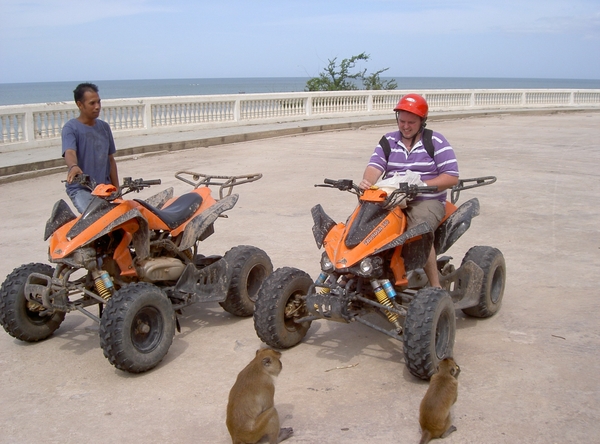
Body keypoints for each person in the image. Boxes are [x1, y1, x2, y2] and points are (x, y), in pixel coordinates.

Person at [359, 93, 459, 288]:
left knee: (419, 232)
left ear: (422, 121)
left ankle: (435, 286)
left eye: (411, 122)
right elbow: (375, 166)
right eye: (402, 121)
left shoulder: (436, 142)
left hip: (425, 199)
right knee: (361, 225)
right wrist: (367, 182)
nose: (405, 126)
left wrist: (421, 186)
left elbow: (451, 176)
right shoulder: (388, 141)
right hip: (392, 197)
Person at [62, 83, 119, 213]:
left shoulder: (104, 127)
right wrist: (73, 166)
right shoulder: (71, 128)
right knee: (96, 218)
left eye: (99, 102)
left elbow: (110, 159)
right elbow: (69, 151)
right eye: (92, 103)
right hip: (82, 189)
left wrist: (117, 188)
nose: (97, 107)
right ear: (80, 105)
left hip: (105, 188)